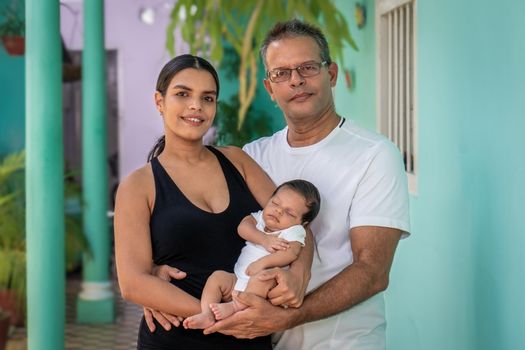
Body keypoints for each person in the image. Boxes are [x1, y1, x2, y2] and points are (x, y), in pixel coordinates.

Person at [147, 19, 410, 349]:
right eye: (281, 73)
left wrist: (290, 314)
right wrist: (158, 278)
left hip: (343, 342)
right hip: (263, 341)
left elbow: (372, 271)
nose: (296, 80)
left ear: (331, 74)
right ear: (270, 89)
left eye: (308, 67)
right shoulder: (253, 156)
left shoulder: (374, 155)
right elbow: (217, 236)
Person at [114, 54, 309, 349]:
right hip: (179, 337)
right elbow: (133, 283)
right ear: (159, 101)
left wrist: (298, 276)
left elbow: (297, 225)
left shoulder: (238, 161)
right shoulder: (138, 186)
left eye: (208, 98)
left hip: (249, 336)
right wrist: (219, 315)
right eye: (182, 94)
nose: (196, 106)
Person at [183, 180, 321, 330]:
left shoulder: (295, 231)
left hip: (261, 284)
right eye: (275, 203)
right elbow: (243, 228)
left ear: (303, 223)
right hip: (237, 278)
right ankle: (206, 314)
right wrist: (265, 240)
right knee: (217, 277)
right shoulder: (260, 217)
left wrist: (263, 263)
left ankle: (235, 306)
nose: (278, 211)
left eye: (289, 212)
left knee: (263, 279)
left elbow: (291, 253)